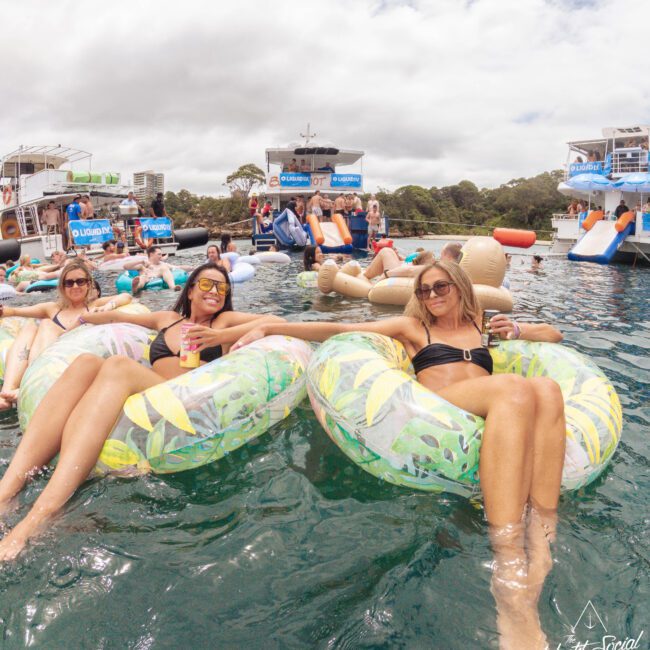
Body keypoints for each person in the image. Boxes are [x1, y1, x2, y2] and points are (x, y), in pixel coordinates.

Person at [233, 261, 565, 648]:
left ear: (459, 286)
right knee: (516, 388)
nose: (432, 296)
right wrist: (271, 326)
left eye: (440, 287)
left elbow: (553, 335)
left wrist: (519, 329)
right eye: (423, 291)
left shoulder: (481, 324)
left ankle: (542, 541)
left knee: (546, 388)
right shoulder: (414, 328)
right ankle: (507, 566)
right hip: (441, 408)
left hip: (491, 406)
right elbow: (340, 329)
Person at [0, 262, 287, 560]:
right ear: (190, 290)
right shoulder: (169, 319)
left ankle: (40, 515)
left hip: (189, 403)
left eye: (221, 287)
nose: (214, 291)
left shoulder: (223, 321)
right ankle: (5, 493)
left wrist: (221, 338)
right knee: (86, 362)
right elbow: (119, 317)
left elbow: (273, 319)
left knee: (119, 367)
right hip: (149, 392)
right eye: (206, 284)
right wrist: (87, 317)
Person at [0, 260, 131, 409]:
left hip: (71, 363)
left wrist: (109, 306)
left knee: (47, 324)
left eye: (80, 281)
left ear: (88, 284)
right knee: (30, 327)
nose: (75, 286)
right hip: (46, 358)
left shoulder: (96, 305)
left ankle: (31, 385)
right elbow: (15, 311)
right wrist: (3, 311)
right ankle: (7, 392)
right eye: (69, 283)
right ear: (62, 287)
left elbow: (126, 296)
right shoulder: (53, 308)